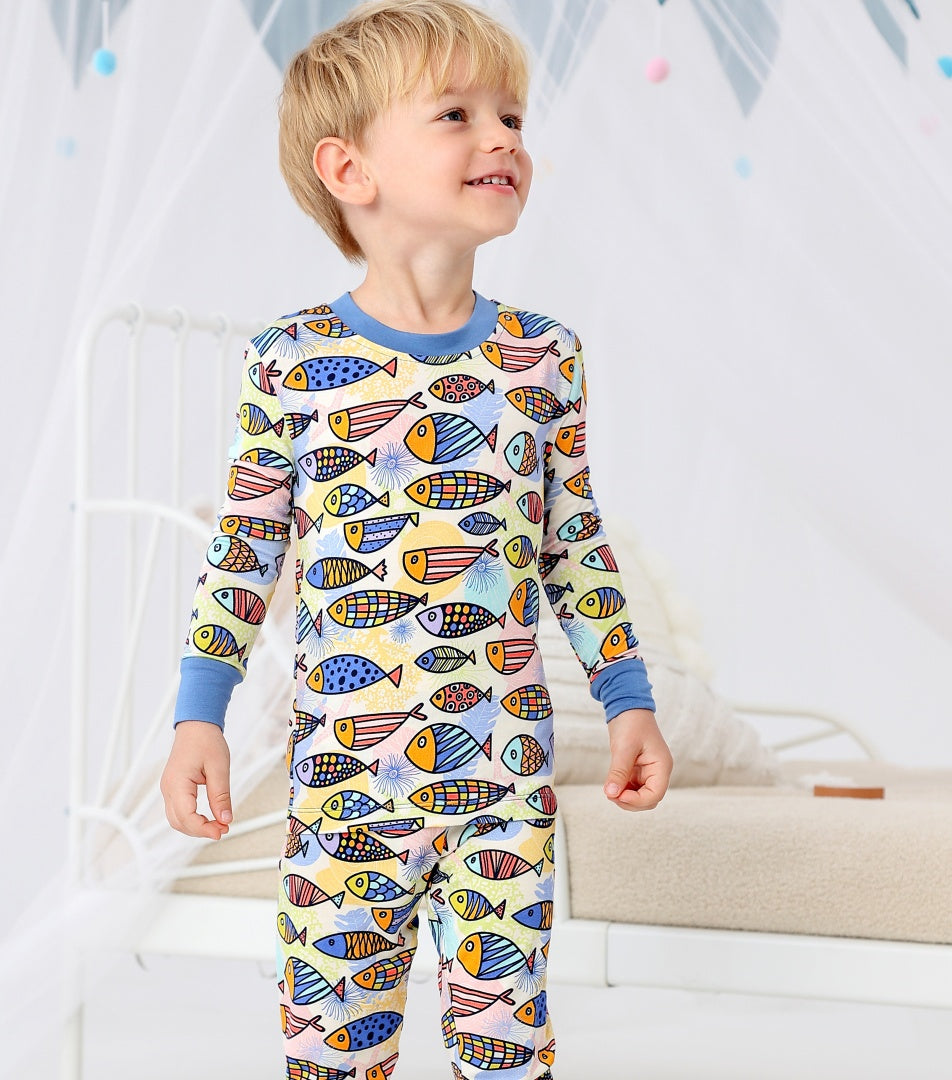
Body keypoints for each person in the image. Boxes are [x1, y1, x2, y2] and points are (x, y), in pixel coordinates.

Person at [159, 2, 673, 1076]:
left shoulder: (546, 359)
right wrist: (198, 715)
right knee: (333, 1054)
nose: (503, 139)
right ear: (350, 170)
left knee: (506, 1050)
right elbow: (245, 550)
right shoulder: (290, 363)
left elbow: (575, 547)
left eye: (513, 117)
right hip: (344, 789)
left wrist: (628, 698)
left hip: (503, 783)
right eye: (457, 114)